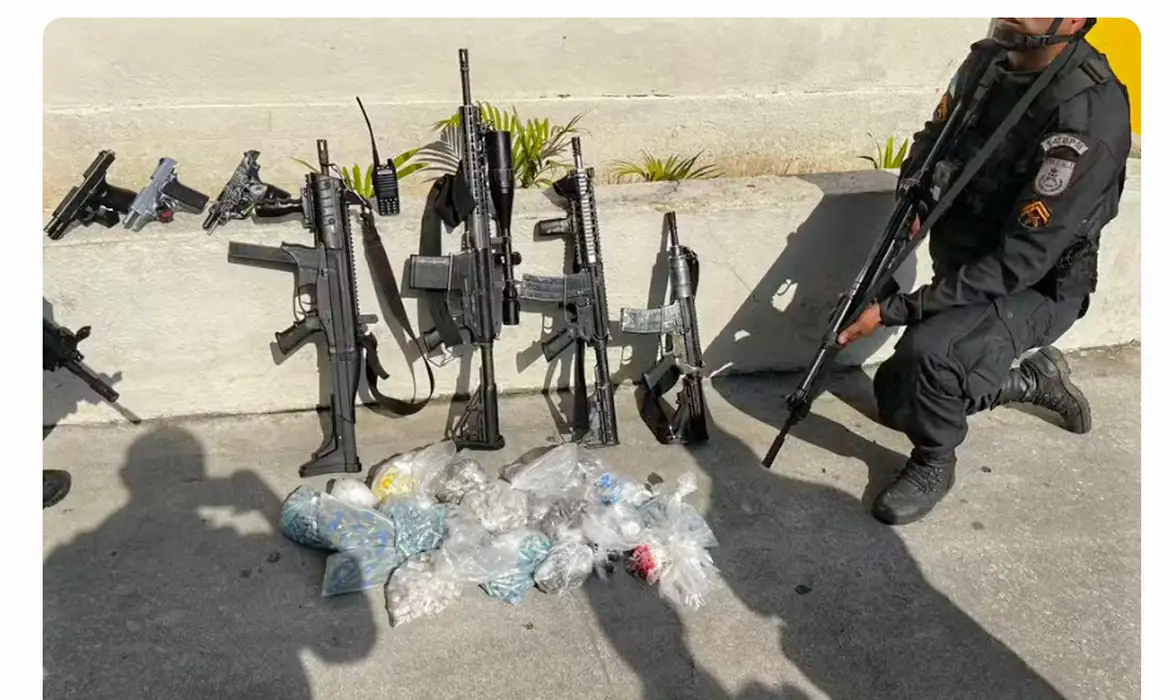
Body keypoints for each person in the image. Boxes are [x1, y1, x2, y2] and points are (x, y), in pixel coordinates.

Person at [836, 18, 1131, 526]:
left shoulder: (1087, 115)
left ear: (1076, 18)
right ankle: (1032, 380)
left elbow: (1022, 260)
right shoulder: (989, 62)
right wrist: (913, 204)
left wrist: (894, 310)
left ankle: (935, 460)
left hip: (1036, 288)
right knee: (895, 400)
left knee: (931, 358)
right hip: (967, 264)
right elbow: (933, 139)